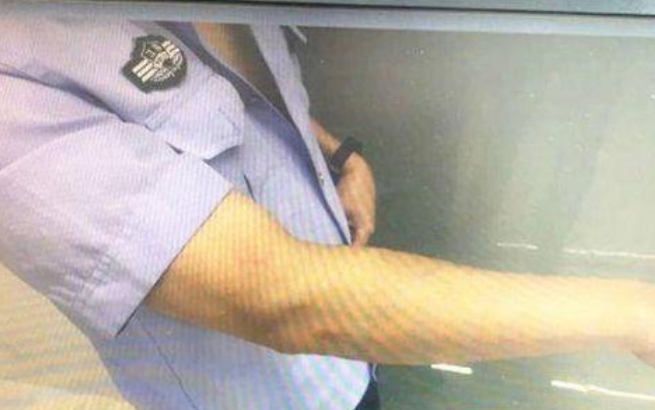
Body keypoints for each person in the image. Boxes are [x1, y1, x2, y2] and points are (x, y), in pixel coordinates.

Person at [1, 17, 654, 410]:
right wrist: (632, 313)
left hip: (351, 361)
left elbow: (240, 96)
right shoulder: (16, 87)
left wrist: (335, 150)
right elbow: (282, 296)